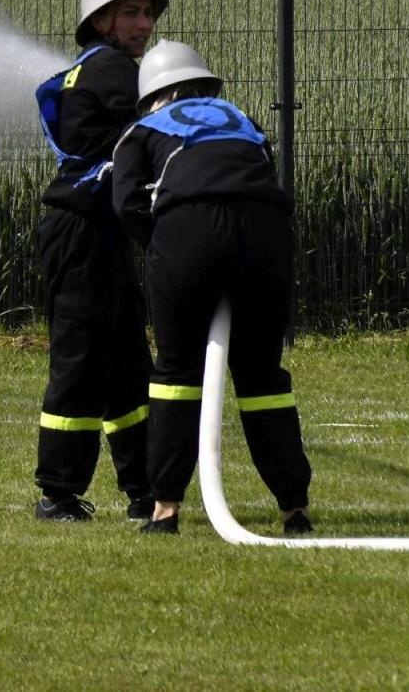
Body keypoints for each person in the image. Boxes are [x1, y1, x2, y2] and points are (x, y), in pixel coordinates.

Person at [110, 40, 312, 535]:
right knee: (263, 377)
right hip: (266, 231)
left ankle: (165, 510)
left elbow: (127, 204)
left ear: (152, 93)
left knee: (177, 372)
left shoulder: (142, 129)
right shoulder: (243, 121)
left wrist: (169, 251)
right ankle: (295, 508)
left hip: (189, 228)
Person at [31, 0, 166, 521]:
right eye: (130, 13)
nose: (143, 25)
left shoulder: (96, 68)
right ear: (101, 21)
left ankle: (143, 491)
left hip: (95, 234)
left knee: (126, 364)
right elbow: (156, 127)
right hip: (83, 233)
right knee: (83, 361)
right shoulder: (111, 68)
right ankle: (58, 493)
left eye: (147, 15)